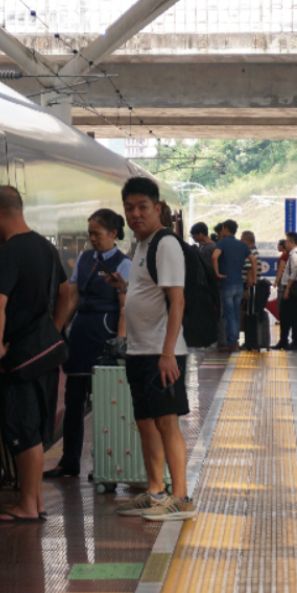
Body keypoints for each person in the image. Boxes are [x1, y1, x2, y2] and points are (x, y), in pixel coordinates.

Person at [0, 187, 76, 522]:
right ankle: (34, 502)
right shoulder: (45, 248)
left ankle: (26, 504)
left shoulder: (10, 252)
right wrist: (51, 328)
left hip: (19, 356)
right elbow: (67, 292)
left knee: (23, 428)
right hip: (43, 355)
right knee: (37, 428)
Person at [113, 177, 196, 521]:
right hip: (139, 351)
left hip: (163, 352)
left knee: (166, 422)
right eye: (129, 208)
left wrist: (166, 353)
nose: (135, 214)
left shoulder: (166, 244)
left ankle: (181, 497)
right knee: (146, 423)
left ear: (157, 208)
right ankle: (154, 491)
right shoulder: (143, 245)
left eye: (142, 207)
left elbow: (177, 302)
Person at [46, 209, 130, 480]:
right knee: (73, 401)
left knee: (107, 404)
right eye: (89, 233)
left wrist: (119, 340)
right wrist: (57, 331)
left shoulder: (123, 263)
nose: (92, 238)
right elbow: (71, 298)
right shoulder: (83, 259)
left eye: (97, 233)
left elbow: (125, 307)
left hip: (105, 334)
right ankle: (68, 462)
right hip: (81, 333)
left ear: (113, 234)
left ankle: (107, 465)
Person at [210, 219, 249, 352]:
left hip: (227, 283)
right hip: (239, 283)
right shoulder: (242, 244)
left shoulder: (222, 242)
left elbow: (214, 257)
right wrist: (253, 278)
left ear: (225, 229)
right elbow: (253, 261)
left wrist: (217, 273)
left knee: (229, 314)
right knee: (237, 313)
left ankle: (232, 342)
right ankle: (235, 340)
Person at [276, 231, 297, 352]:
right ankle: (287, 340)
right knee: (290, 317)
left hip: (292, 291)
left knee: (289, 317)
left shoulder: (294, 255)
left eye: (287, 241)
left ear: (292, 242)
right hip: (293, 291)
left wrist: (287, 290)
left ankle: (291, 341)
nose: (285, 243)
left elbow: (293, 274)